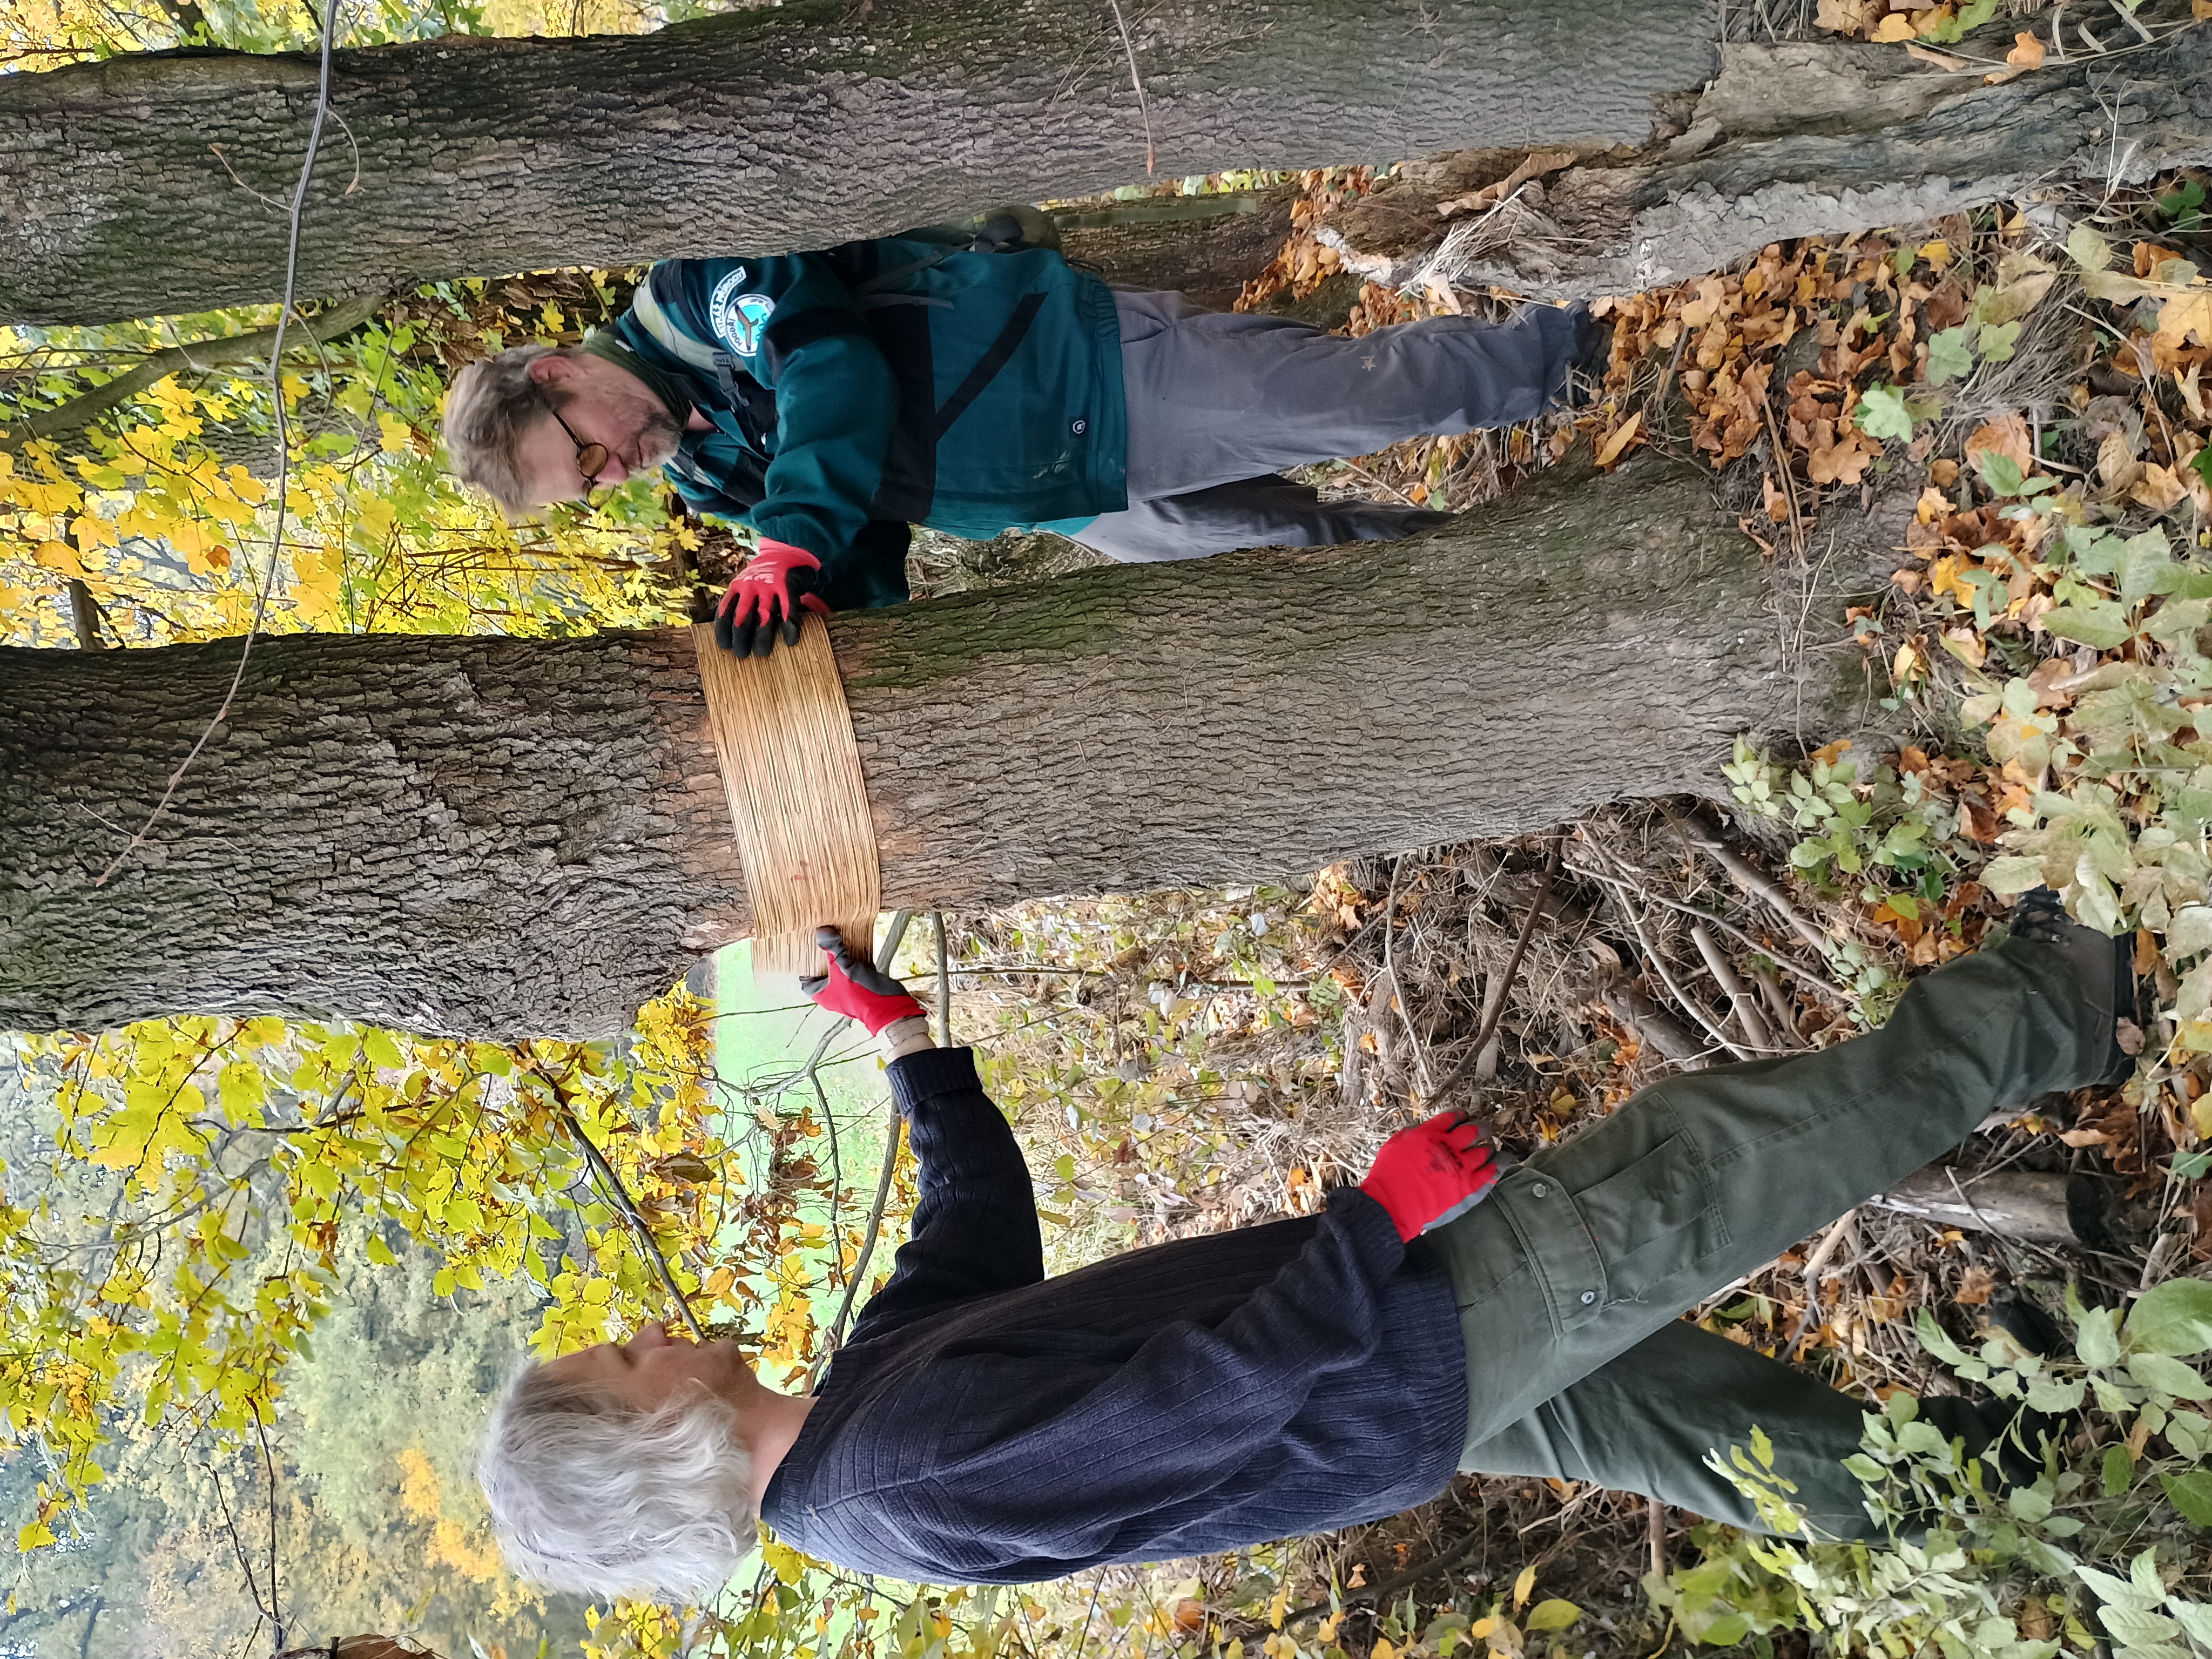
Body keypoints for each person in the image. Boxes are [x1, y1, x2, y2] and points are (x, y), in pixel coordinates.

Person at [477, 891, 2129, 1601]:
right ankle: (2056, 1010)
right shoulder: (884, 1482)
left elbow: (972, 1239)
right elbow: (1185, 1406)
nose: (645, 1334)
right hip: (1406, 1334)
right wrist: (1377, 1222)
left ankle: (1999, 1501)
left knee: (1694, 1430)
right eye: (622, 1361)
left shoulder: (858, 1426)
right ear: (651, 1434)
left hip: (1392, 1396)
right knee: (1718, 1161)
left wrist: (903, 1042)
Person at [439, 218, 1597, 657]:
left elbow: (827, 365)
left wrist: (786, 539)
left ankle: (1568, 355)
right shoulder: (705, 470)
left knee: (1358, 400)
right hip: (1066, 495)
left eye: (582, 454)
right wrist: (821, 612)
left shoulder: (697, 290)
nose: (610, 476)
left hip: (1079, 370)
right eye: (583, 490)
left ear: (558, 375)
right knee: (1303, 563)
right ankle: (1525, 561)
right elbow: (857, 541)